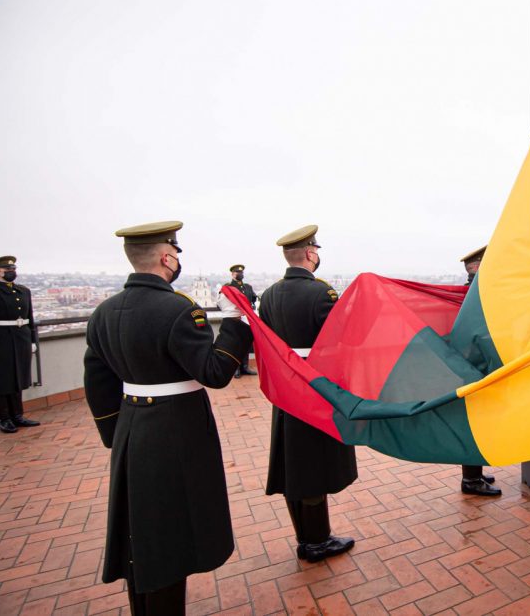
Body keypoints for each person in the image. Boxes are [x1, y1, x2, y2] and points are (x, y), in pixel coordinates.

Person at [83, 221, 252, 615]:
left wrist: (117, 434)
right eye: (175, 254)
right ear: (166, 257)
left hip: (131, 428)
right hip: (176, 432)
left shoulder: (104, 312)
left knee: (140, 533)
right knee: (170, 536)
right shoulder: (179, 310)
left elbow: (97, 380)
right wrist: (236, 325)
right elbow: (214, 373)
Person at [262, 224, 358, 561]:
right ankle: (317, 540)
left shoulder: (270, 294)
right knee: (313, 462)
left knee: (294, 459)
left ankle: (306, 535)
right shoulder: (322, 293)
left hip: (287, 385)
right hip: (315, 385)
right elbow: (341, 341)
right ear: (310, 253)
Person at [457, 245, 501, 496]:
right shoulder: (479, 295)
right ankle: (471, 480)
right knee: (472, 425)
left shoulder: (465, 292)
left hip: (465, 368)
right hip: (475, 369)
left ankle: (474, 472)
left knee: (474, 423)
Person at [0, 255, 40, 433]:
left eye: (13, 270)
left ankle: (18, 415)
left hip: (21, 338)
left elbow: (29, 318)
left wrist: (32, 340)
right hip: (2, 338)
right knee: (3, 379)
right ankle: (4, 417)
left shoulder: (23, 291)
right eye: (7, 270)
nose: (11, 272)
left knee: (18, 377)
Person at [228, 264, 258, 378]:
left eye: (241, 272)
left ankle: (245, 367)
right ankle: (236, 368)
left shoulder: (248, 287)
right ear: (232, 274)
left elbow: (253, 298)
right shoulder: (229, 287)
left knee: (246, 342)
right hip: (235, 318)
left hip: (247, 318)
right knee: (236, 343)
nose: (240, 274)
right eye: (237, 272)